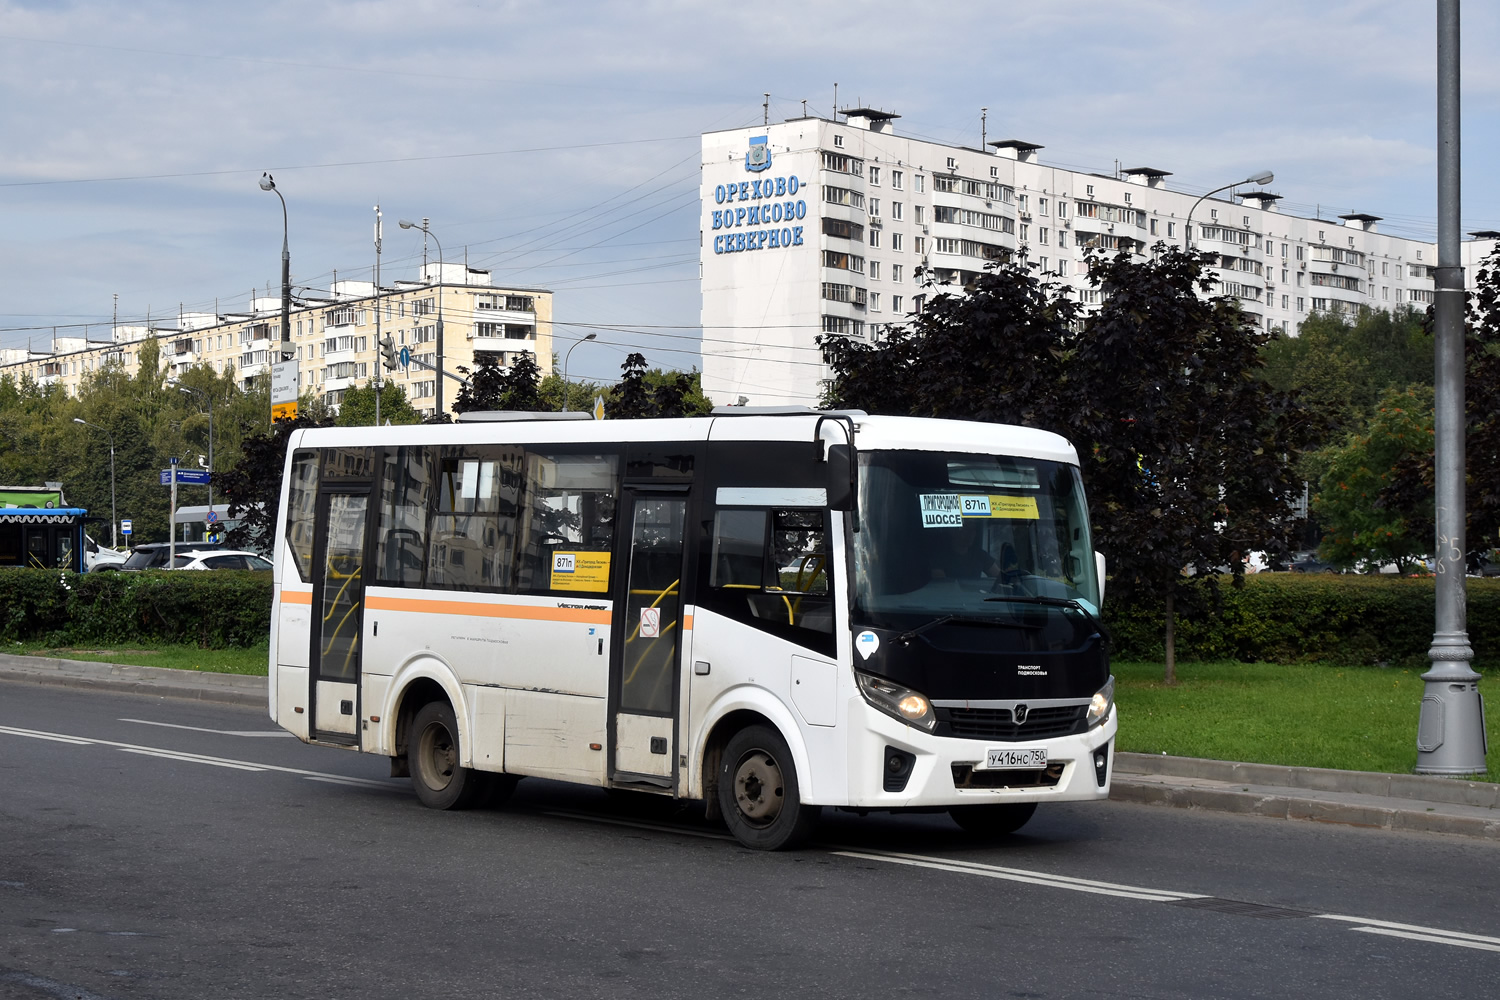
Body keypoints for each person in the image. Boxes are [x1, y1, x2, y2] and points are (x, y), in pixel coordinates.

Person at [930, 520, 1001, 580]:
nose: (970, 534)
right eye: (966, 529)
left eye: (973, 530)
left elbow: (1000, 578)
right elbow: (941, 586)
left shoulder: (980, 555)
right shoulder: (939, 557)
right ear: (953, 532)